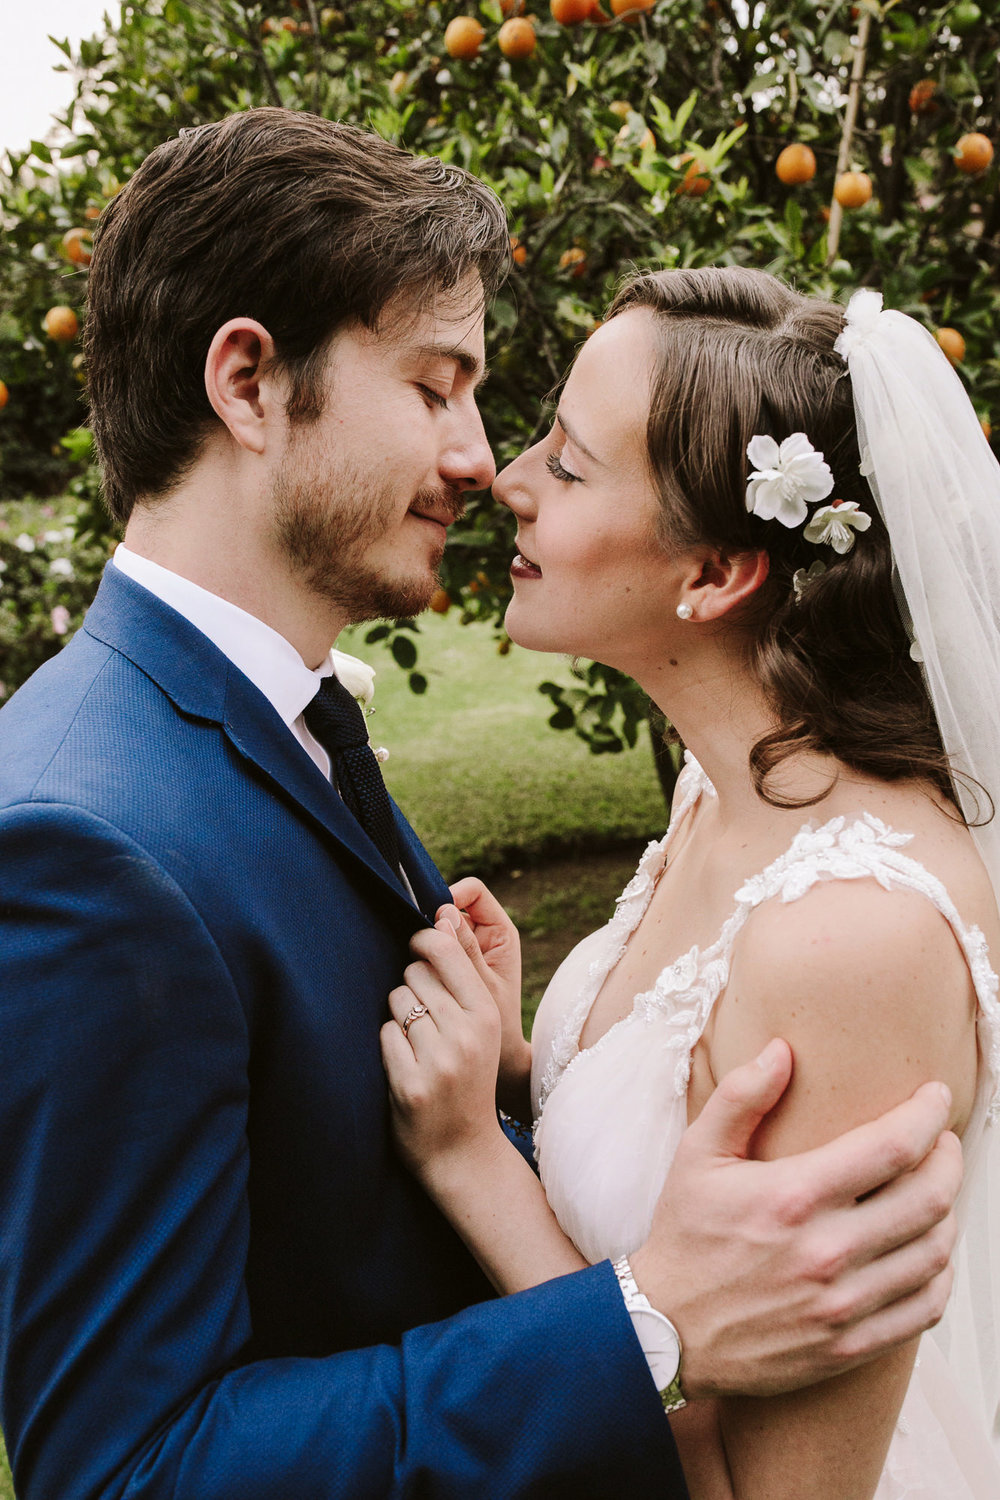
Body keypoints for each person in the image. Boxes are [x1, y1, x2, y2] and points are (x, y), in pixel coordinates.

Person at [0, 113, 962, 1500]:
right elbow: (129, 1471)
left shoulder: (280, 712)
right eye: (439, 386)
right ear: (251, 384)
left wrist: (516, 1083)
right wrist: (646, 1315)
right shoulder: (82, 843)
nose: (480, 461)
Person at [381, 267, 1000, 1498]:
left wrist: (468, 1158)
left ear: (713, 574)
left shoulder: (853, 940)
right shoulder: (725, 793)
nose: (503, 479)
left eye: (566, 463)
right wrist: (524, 1058)